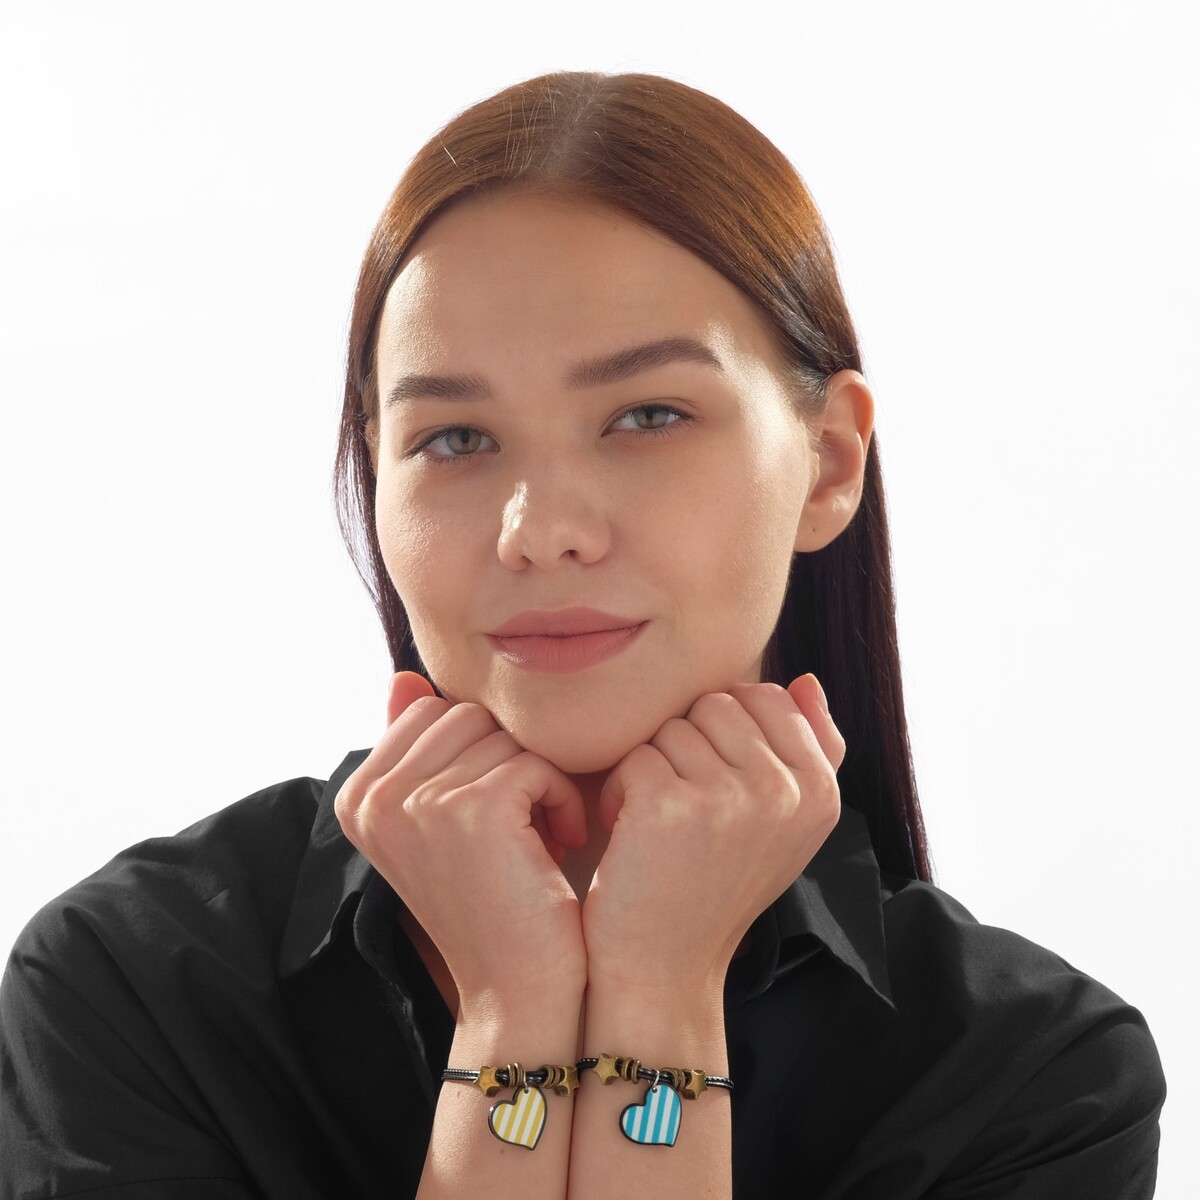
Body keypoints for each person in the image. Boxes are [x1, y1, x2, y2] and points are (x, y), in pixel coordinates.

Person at [0, 71, 1165, 1199]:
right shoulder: (134, 989)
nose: (541, 531)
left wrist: (657, 991)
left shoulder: (1031, 1087)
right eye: (455, 439)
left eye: (647, 415)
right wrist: (515, 1011)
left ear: (827, 463)